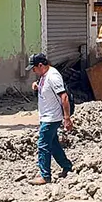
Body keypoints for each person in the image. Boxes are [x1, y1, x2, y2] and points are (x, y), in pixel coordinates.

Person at [27, 53, 74, 185]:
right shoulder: (44, 76)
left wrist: (67, 118)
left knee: (43, 145)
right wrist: (37, 87)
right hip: (46, 116)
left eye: (34, 68)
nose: (33, 71)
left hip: (51, 118)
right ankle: (67, 166)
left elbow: (64, 97)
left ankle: (45, 176)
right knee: (53, 145)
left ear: (41, 65)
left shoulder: (53, 76)